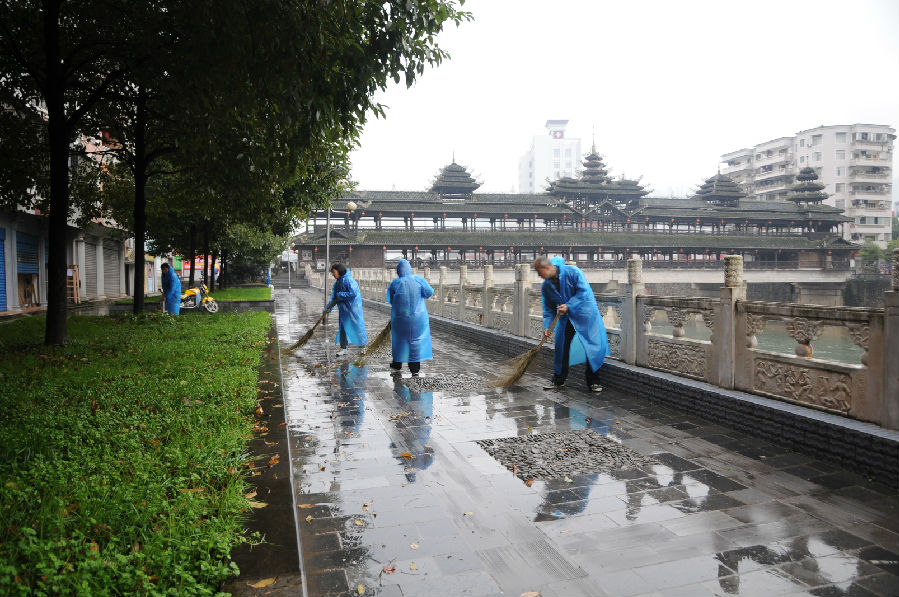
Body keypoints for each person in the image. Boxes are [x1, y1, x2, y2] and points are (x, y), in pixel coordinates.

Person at [534, 255, 609, 392]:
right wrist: (547, 327)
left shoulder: (572, 272)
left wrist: (569, 305)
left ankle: (594, 381)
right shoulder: (546, 286)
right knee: (561, 346)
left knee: (592, 346)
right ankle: (558, 379)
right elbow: (548, 309)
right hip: (566, 317)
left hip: (585, 313)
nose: (539, 276)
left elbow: (583, 292)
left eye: (540, 272)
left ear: (547, 267)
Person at [386, 259, 434, 376]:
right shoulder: (419, 280)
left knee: (399, 340)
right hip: (418, 319)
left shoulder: (395, 283)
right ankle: (415, 369)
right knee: (416, 342)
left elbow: (390, 300)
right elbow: (429, 292)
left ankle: (397, 364)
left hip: (401, 318)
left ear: (398, 271)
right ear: (410, 269)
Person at [324, 263, 367, 356]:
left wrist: (340, 295)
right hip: (344, 310)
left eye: (334, 272)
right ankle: (344, 348)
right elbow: (334, 298)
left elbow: (353, 293)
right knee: (343, 327)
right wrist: (328, 308)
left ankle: (362, 347)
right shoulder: (337, 283)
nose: (333, 274)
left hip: (353, 309)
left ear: (339, 271)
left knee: (357, 326)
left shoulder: (349, 280)